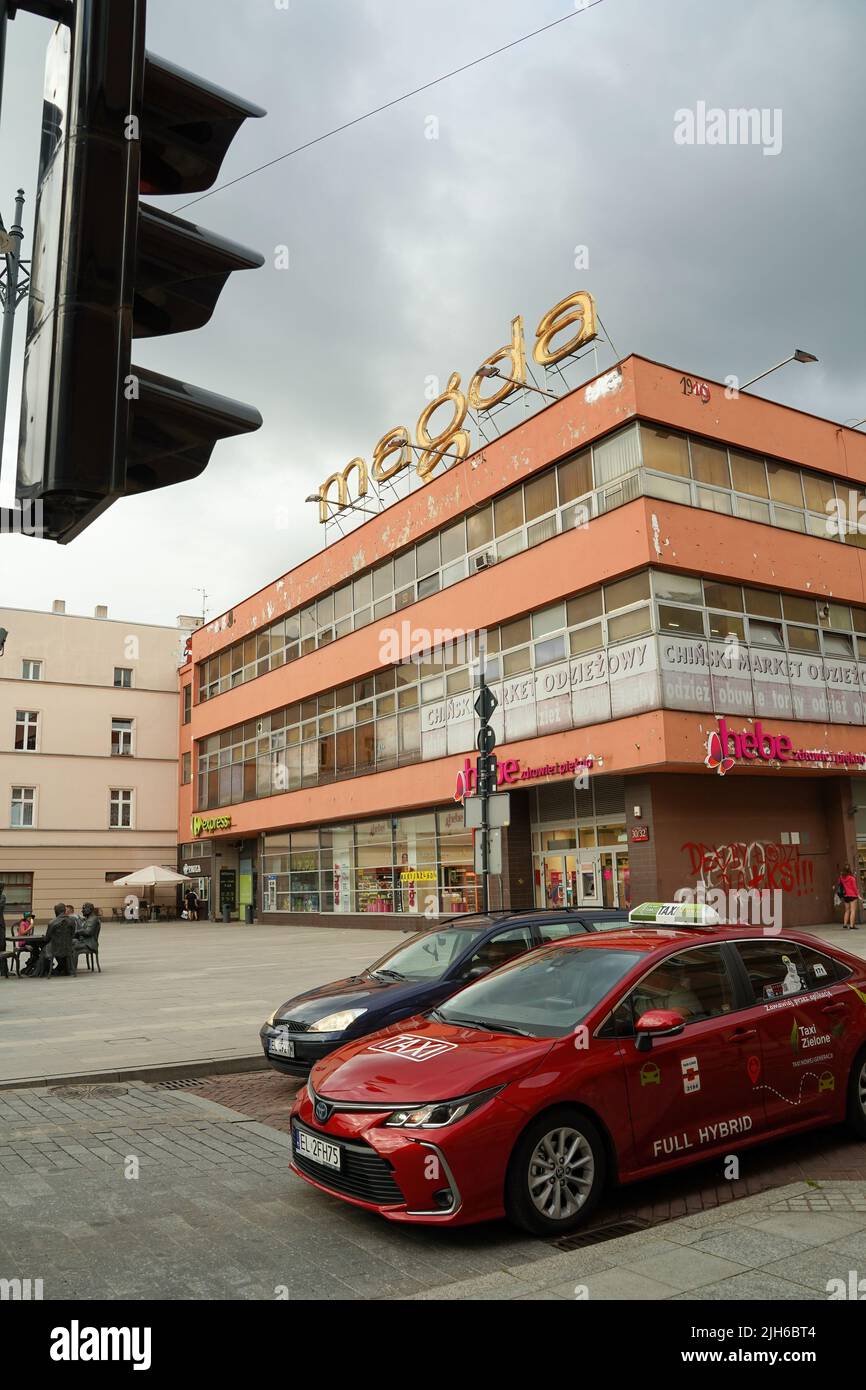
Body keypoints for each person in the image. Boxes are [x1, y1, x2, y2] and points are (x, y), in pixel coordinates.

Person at [43, 903, 77, 976]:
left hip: (55, 949)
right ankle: (63, 968)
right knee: (58, 948)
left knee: (44, 949)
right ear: (64, 911)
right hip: (68, 947)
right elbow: (73, 935)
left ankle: (43, 971)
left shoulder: (52, 922)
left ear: (56, 911)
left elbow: (47, 938)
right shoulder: (72, 921)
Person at [837, 865, 860, 930]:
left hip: (845, 896)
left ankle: (845, 924)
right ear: (849, 870)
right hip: (852, 895)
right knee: (853, 910)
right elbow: (854, 888)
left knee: (847, 910)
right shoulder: (852, 878)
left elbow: (839, 885)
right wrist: (858, 895)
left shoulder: (841, 878)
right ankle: (852, 925)